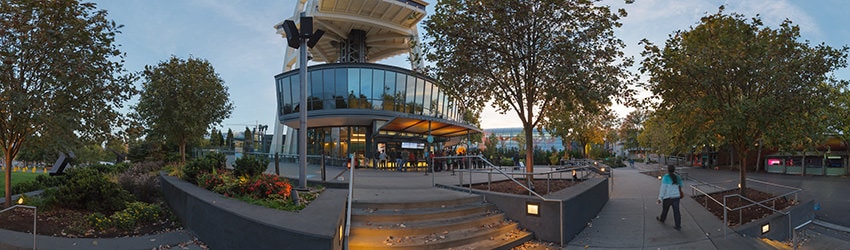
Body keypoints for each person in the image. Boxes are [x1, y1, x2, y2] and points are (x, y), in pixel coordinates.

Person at [657, 165, 683, 230]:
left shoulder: (665, 177)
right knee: (676, 212)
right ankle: (678, 226)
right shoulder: (678, 177)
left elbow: (663, 189)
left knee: (665, 210)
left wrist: (660, 198)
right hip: (676, 197)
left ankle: (662, 219)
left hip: (668, 197)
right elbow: (681, 186)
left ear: (668, 170)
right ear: (674, 170)